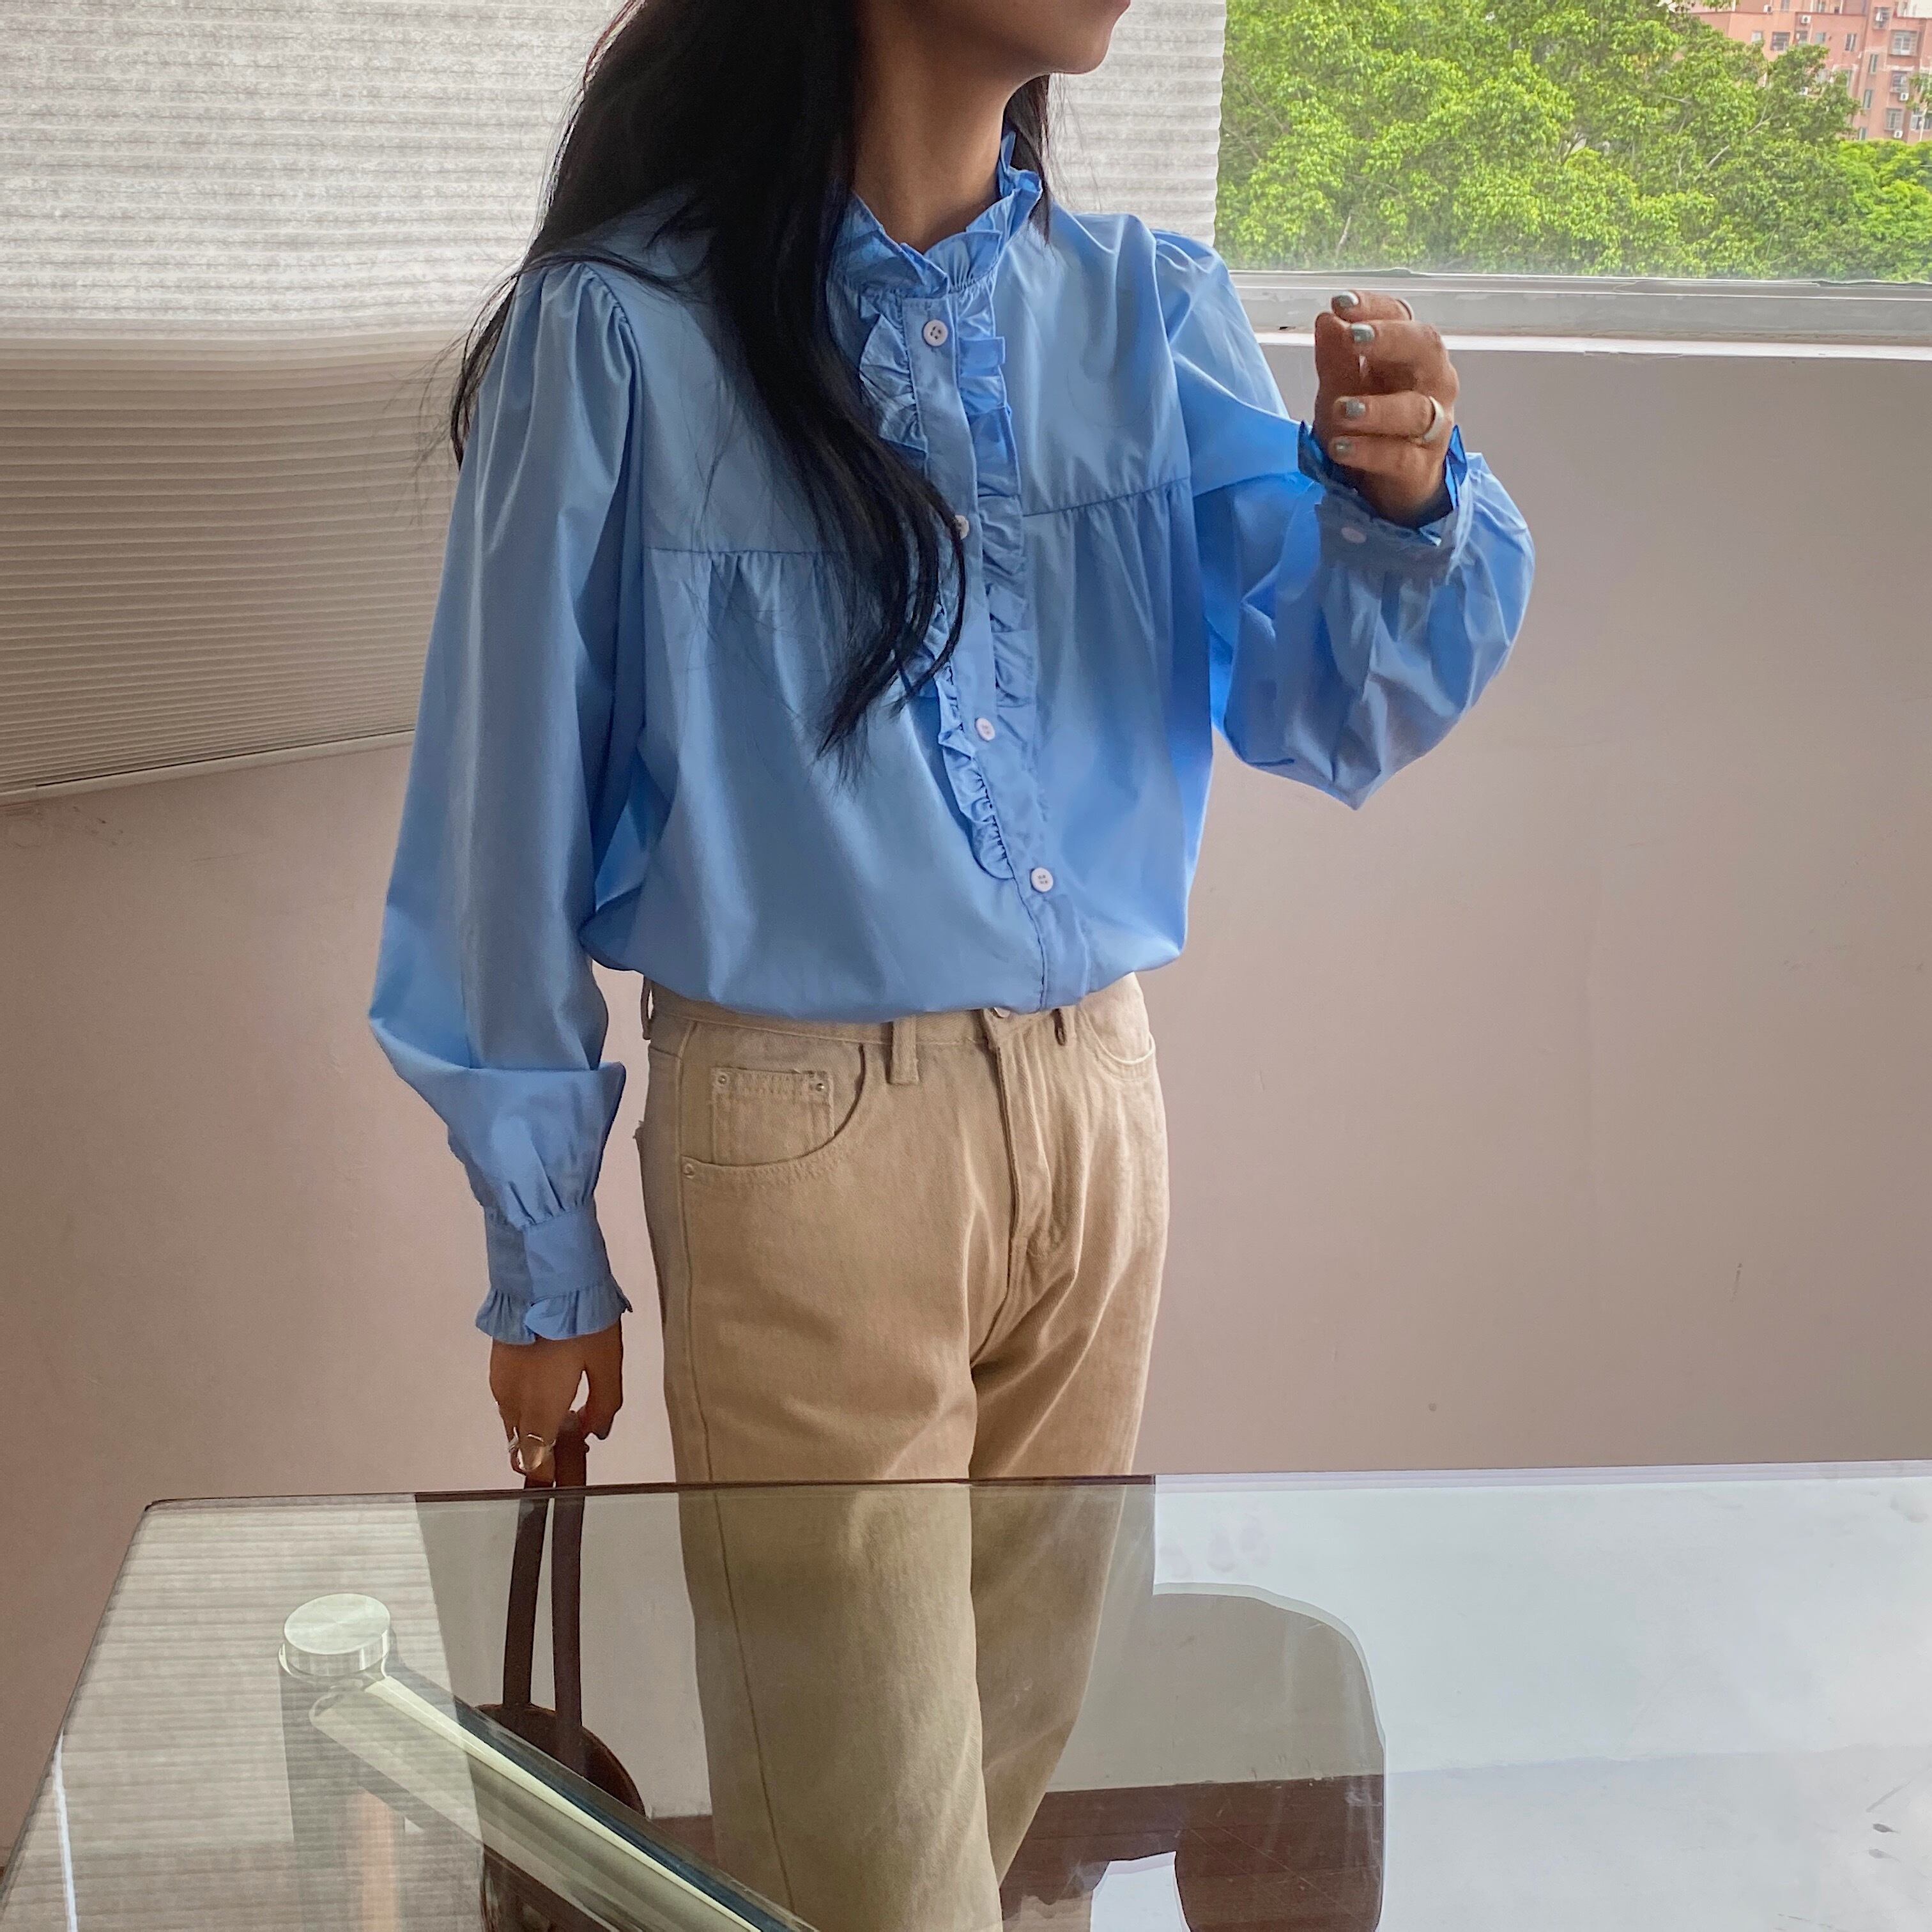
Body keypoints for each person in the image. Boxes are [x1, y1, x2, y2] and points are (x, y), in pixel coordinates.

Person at [370, 0, 1532, 1508]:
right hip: (802, 1132)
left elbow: (1324, 705)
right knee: (848, 1684)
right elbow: (503, 806)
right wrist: (543, 1257)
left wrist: (1403, 506)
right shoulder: (621, 330)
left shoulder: (1148, 311)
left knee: (1051, 1672)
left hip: (1099, 1097)